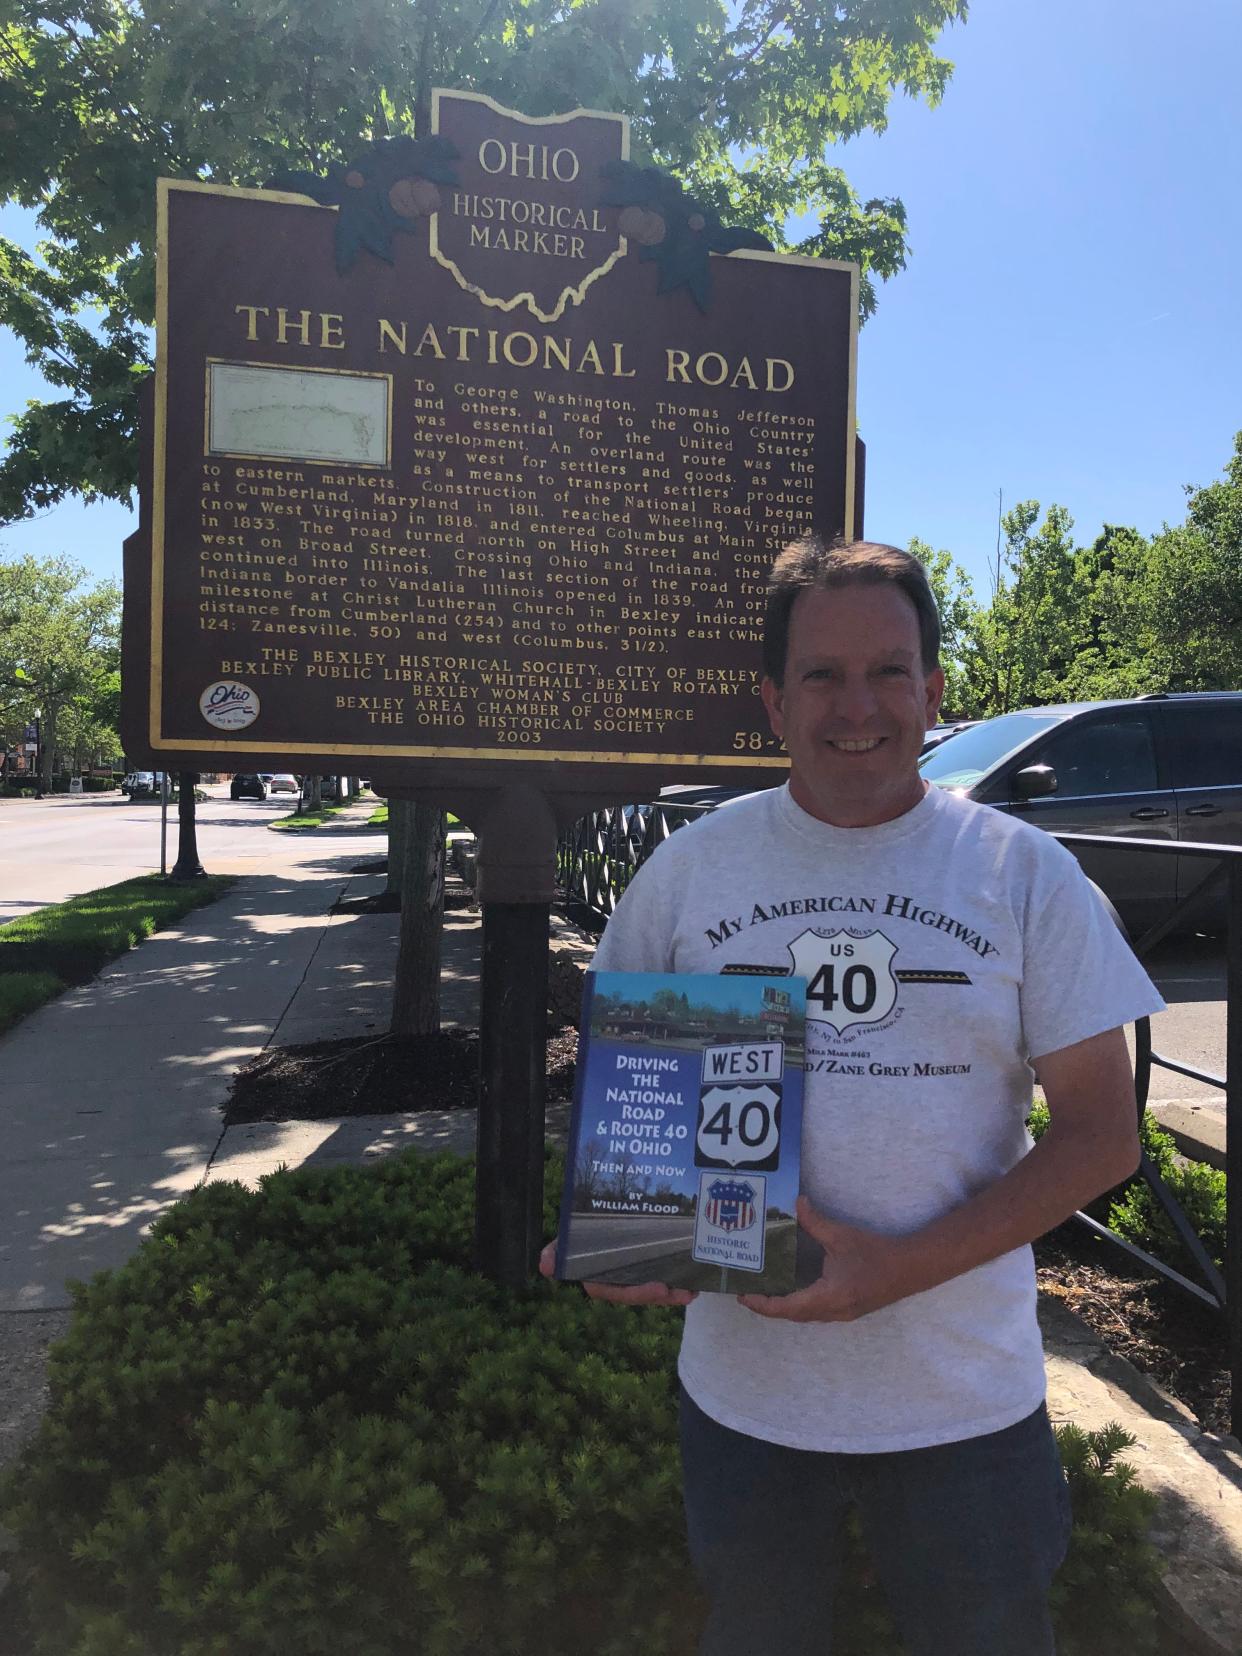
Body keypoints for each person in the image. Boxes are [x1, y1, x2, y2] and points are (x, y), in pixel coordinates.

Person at [542, 536, 1164, 1656]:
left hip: (965, 1405)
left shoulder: (1024, 874)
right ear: (774, 700)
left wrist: (898, 1272)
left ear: (933, 688)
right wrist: (637, 1233)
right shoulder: (687, 872)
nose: (857, 704)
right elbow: (636, 1096)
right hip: (746, 1403)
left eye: (888, 670)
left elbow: (1101, 1135)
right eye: (821, 675)